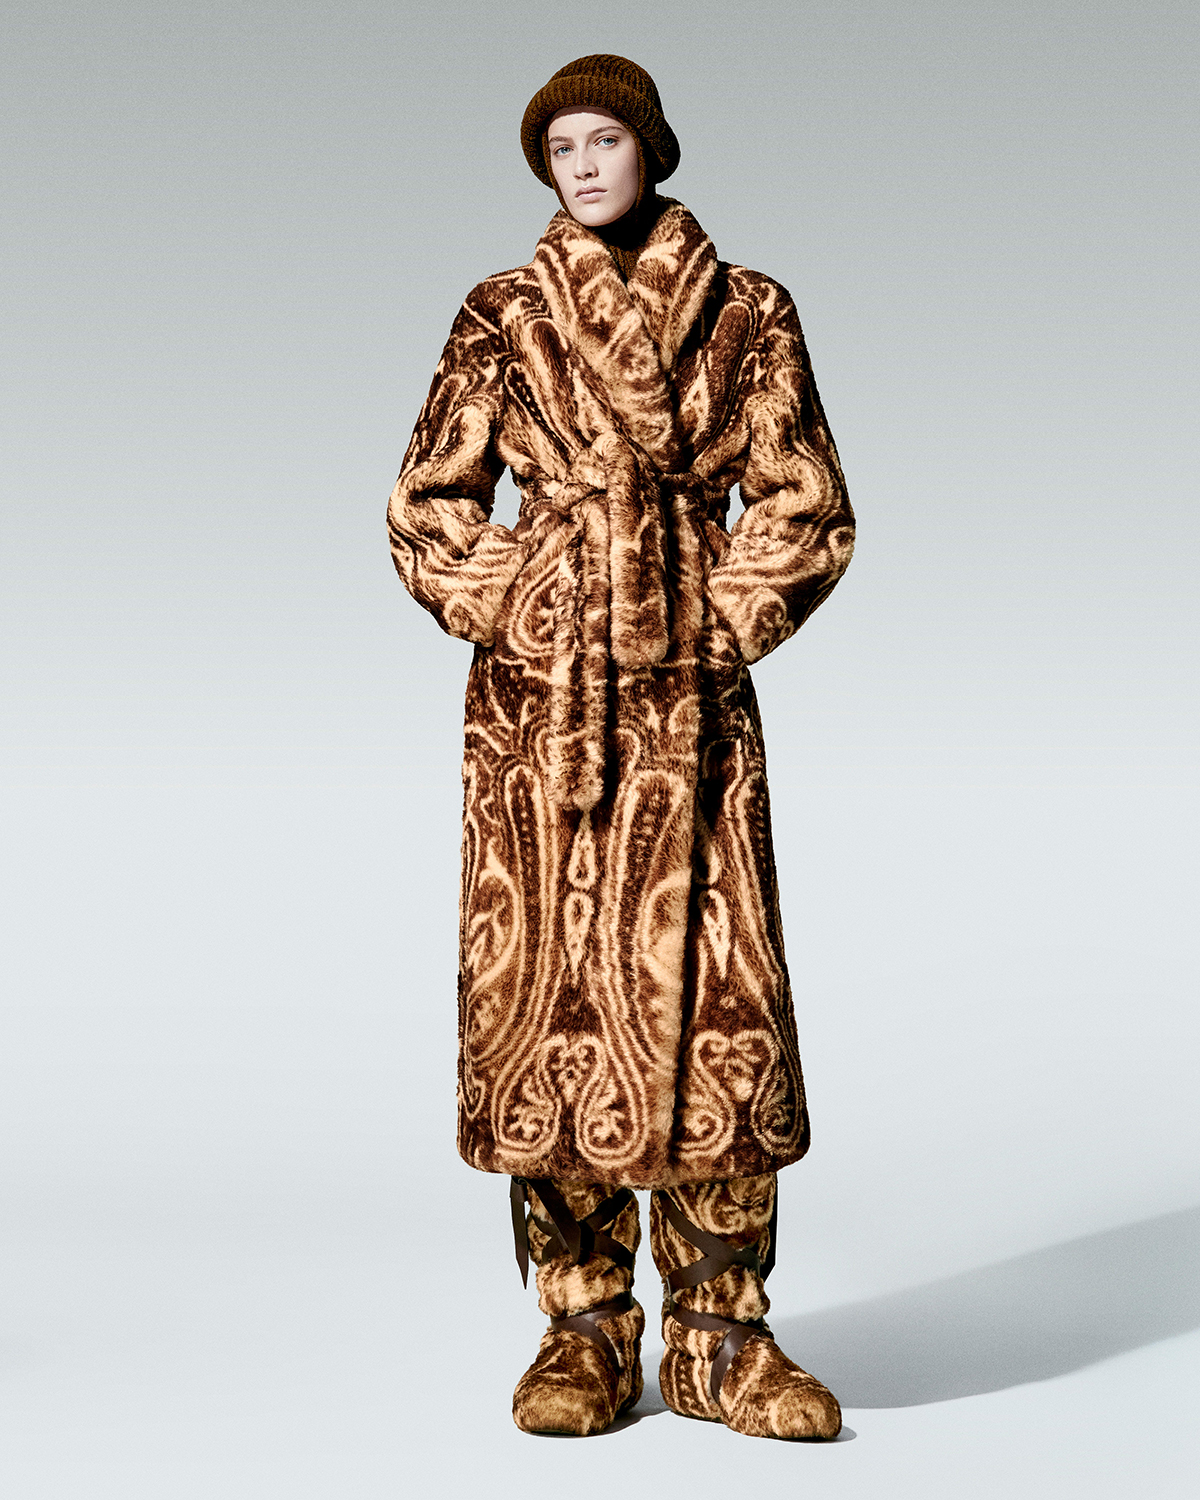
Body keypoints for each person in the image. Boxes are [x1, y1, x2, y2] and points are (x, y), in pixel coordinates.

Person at [387, 55, 855, 1439]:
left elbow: (806, 501)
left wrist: (715, 620)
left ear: (652, 147)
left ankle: (722, 1334)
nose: (584, 165)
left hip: (690, 702)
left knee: (718, 995)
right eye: (563, 148)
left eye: (605, 139)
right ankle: (583, 1326)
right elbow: (427, 507)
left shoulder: (747, 309)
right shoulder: (504, 312)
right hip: (543, 714)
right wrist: (531, 600)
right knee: (548, 992)